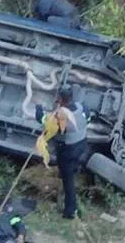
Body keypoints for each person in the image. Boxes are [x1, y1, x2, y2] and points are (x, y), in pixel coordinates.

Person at [36, 85, 89, 219]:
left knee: (68, 180)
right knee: (71, 169)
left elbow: (42, 120)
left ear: (59, 99)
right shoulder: (81, 107)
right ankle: (72, 171)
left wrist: (38, 108)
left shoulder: (59, 119)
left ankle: (70, 211)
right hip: (81, 145)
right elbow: (88, 117)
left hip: (68, 151)